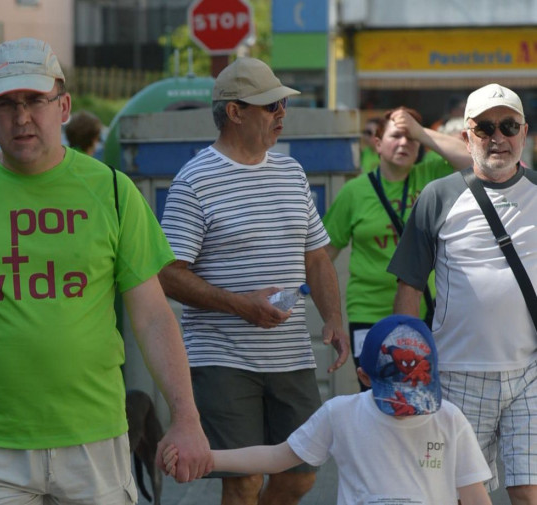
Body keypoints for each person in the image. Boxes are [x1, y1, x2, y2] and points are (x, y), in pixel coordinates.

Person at [0, 37, 212, 503]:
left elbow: (152, 316)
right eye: (6, 103)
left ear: (63, 106)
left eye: (34, 100)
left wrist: (186, 417)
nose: (21, 116)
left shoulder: (112, 190)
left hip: (94, 440)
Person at [158, 56, 350, 505]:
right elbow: (168, 275)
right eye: (270, 106)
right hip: (222, 360)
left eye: (282, 105)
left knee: (301, 474)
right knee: (242, 482)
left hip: (290, 358)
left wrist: (333, 320)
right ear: (235, 111)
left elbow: (317, 257)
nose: (281, 114)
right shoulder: (194, 181)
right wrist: (242, 305)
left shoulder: (291, 172)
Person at [162, 315, 493, 505]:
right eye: (397, 397)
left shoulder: (449, 419)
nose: (409, 410)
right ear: (363, 377)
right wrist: (207, 458)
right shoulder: (341, 413)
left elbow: (474, 493)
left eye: (418, 391)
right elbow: (279, 456)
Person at [389, 83, 535, 503]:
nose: (498, 138)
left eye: (508, 126)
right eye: (485, 127)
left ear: (523, 133)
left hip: (530, 373)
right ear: (467, 136)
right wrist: (407, 365)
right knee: (460, 494)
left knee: (528, 491)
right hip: (456, 375)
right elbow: (409, 286)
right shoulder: (438, 196)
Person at [322, 106, 471, 387]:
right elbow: (324, 255)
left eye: (410, 138)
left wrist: (421, 132)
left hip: (425, 311)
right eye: (396, 136)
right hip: (368, 314)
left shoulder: (431, 177)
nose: (404, 143)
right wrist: (328, 313)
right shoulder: (354, 193)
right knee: (376, 391)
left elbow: (473, 158)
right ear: (377, 144)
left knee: (421, 393)